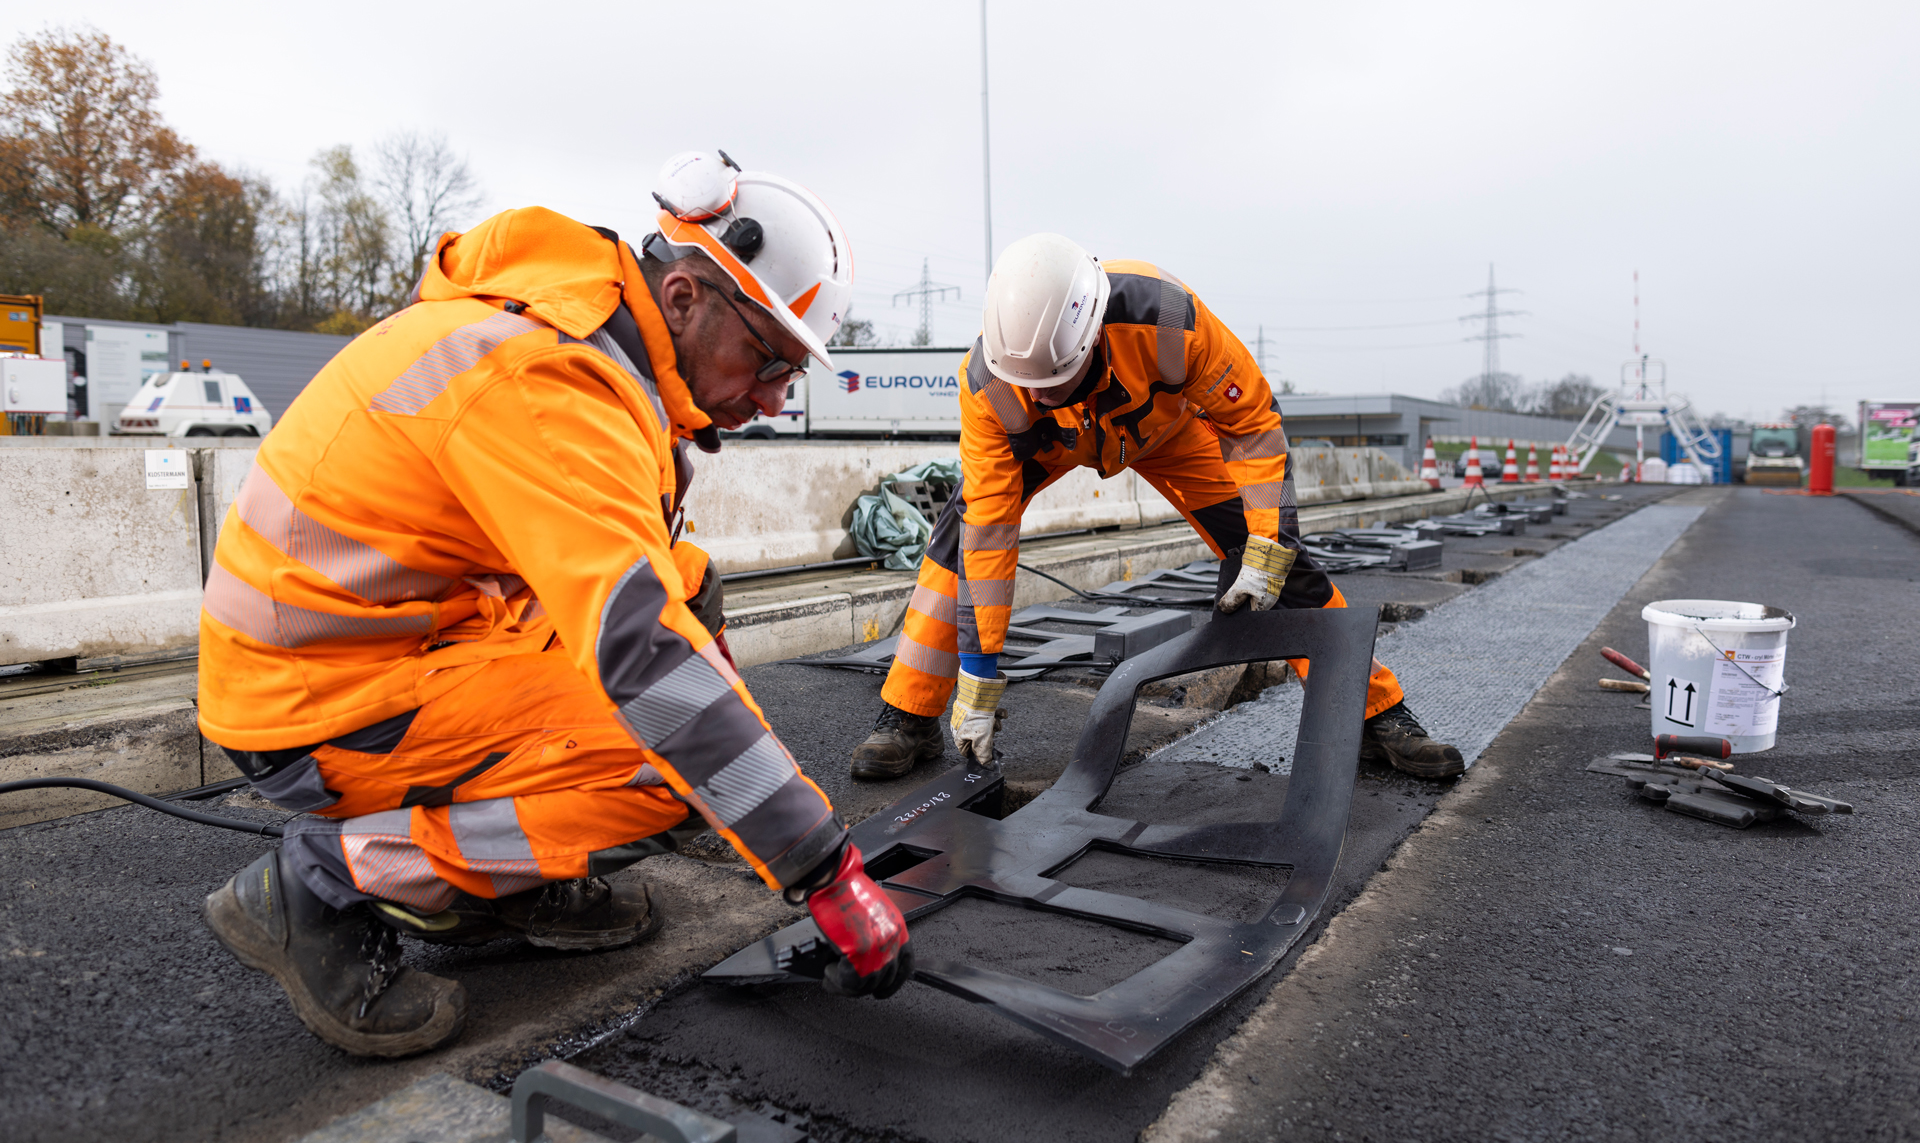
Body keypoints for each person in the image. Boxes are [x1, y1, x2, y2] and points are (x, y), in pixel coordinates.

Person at [199, 151, 911, 1058]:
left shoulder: (587, 336)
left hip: (393, 640)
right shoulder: (549, 382)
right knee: (662, 764)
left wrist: (754, 788)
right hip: (313, 704)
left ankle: (514, 881)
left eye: (791, 376)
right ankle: (318, 884)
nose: (773, 398)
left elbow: (660, 603)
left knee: (685, 600)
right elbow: (646, 657)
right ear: (685, 296)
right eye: (768, 359)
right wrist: (820, 866)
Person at [849, 233, 1463, 783]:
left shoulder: (1169, 318)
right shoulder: (991, 384)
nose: (1041, 394)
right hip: (1052, 443)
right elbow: (989, 531)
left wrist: (1267, 549)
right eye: (1030, 387)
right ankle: (910, 714)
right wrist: (978, 681)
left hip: (1165, 432)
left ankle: (1373, 711)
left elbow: (1251, 426)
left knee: (1280, 557)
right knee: (958, 543)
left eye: (1057, 381)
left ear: (1091, 336)